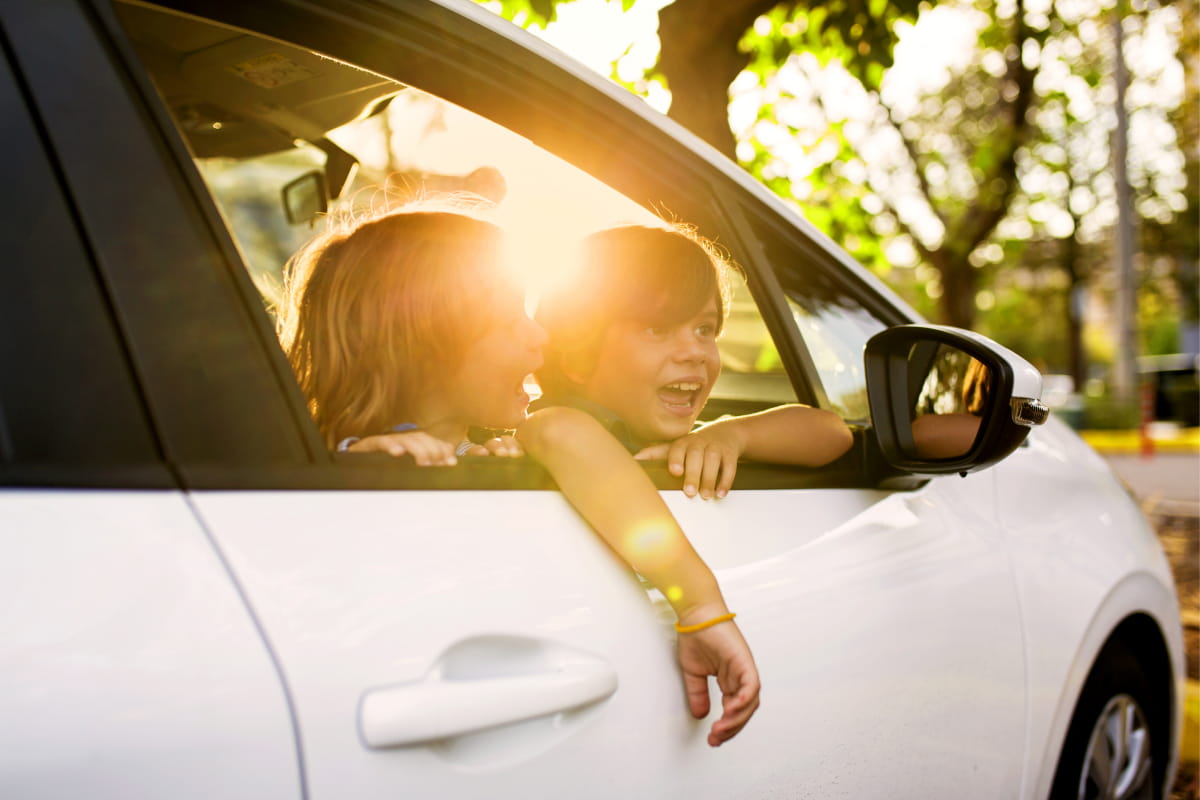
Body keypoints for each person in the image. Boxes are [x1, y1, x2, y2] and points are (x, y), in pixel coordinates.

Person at [276, 207, 759, 746]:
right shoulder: (343, 467)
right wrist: (699, 608)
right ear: (425, 343)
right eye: (510, 320)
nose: (539, 336)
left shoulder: (493, 448)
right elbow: (562, 431)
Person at [534, 223, 854, 500]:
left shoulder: (690, 441)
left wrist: (732, 435)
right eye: (658, 329)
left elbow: (834, 433)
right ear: (578, 358)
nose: (695, 351)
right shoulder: (538, 439)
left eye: (705, 329)